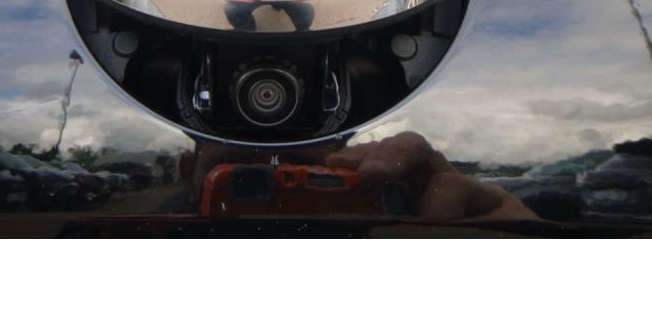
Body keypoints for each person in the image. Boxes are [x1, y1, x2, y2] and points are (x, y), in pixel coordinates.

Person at [181, 131, 537, 223]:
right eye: (245, 183)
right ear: (186, 174)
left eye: (303, 173)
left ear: (344, 173)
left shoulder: (393, 226)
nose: (277, 208)